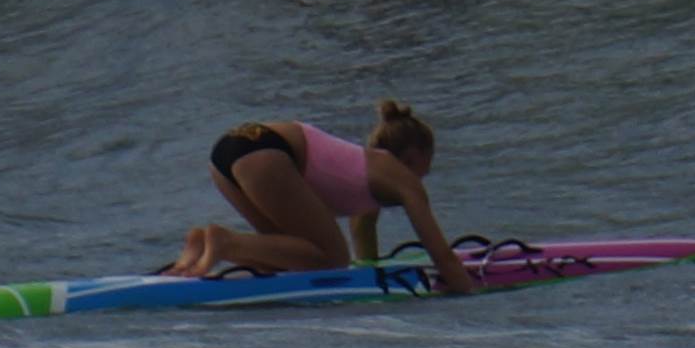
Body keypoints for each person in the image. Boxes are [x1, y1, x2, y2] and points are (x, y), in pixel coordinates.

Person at [167, 98, 479, 294]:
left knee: (286, 258)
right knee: (333, 260)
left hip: (229, 150)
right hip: (267, 152)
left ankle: (202, 245)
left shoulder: (373, 168)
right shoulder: (404, 180)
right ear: (414, 155)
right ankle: (224, 242)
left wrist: (370, 277)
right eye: (429, 162)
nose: (426, 174)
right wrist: (468, 290)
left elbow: (364, 237)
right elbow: (439, 253)